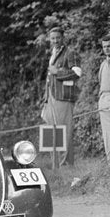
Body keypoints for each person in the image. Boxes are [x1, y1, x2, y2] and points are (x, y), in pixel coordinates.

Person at [41, 26, 82, 164]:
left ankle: (65, 164)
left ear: (63, 38)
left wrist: (57, 72)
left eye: (58, 38)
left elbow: (77, 73)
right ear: (49, 39)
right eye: (52, 38)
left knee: (63, 130)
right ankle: (55, 164)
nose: (55, 41)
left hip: (63, 97)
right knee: (50, 130)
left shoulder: (70, 53)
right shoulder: (52, 53)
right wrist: (45, 97)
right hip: (50, 97)